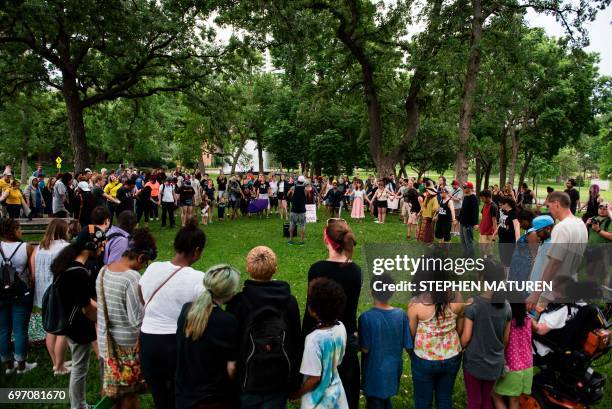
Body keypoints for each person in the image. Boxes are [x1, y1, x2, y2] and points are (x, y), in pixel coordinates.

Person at [139, 220, 206, 409]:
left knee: (160, 397)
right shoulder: (197, 278)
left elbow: (141, 293)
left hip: (148, 341)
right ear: (197, 251)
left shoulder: (153, 268)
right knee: (181, 395)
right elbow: (203, 313)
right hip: (175, 343)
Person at [226, 246, 302, 409]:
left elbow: (230, 343)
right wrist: (295, 382)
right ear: (275, 269)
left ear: (247, 269)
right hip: (278, 379)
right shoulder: (289, 302)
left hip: (247, 379)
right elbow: (296, 343)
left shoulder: (238, 303)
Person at [303, 219, 361, 409]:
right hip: (345, 336)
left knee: (319, 393)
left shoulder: (317, 269)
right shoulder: (355, 271)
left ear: (326, 239)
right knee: (345, 390)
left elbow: (310, 309)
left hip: (321, 335)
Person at [97, 228, 157, 409]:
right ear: (140, 257)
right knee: (129, 395)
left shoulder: (103, 271)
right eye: (144, 263)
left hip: (105, 344)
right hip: (126, 348)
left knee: (111, 392)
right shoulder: (131, 277)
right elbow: (137, 319)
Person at [51, 226, 105, 409]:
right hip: (78, 325)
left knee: (79, 364)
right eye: (100, 245)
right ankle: (78, 405)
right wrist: (103, 318)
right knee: (80, 368)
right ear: (90, 245)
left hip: (67, 319)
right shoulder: (80, 272)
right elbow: (86, 307)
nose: (102, 249)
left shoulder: (66, 263)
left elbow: (81, 298)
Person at [408, 262, 464, 409]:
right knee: (445, 399)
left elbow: (411, 335)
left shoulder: (416, 304)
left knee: (422, 402)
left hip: (424, 358)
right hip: (452, 356)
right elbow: (460, 329)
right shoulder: (457, 297)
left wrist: (412, 354)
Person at [460, 261, 511, 409]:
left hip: (475, 362)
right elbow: (506, 339)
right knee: (487, 399)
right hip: (495, 363)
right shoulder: (507, 305)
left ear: (481, 278)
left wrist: (458, 349)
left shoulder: (473, 303)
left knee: (475, 400)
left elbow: (466, 337)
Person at [526, 192, 588, 310]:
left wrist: (536, 293)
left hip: (554, 290)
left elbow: (554, 263)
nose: (548, 209)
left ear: (557, 204)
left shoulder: (562, 227)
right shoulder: (581, 224)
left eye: (549, 206)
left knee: (543, 322)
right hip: (571, 283)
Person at [359, 273, 413, 409]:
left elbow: (365, 348)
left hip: (373, 376)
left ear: (372, 292)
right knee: (386, 402)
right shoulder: (401, 315)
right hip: (393, 373)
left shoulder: (366, 318)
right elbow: (408, 344)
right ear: (392, 291)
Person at [294, 277, 348, 409]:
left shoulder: (314, 339)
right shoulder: (341, 327)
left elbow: (314, 378)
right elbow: (338, 360)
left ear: (313, 310)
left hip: (317, 402)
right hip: (337, 396)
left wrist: (298, 393)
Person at [33, 219, 70, 375]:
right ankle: (60, 366)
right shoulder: (65, 248)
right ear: (63, 231)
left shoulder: (41, 248)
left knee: (50, 329)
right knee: (63, 329)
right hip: (59, 291)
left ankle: (55, 362)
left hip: (44, 292)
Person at [0, 218, 36, 374]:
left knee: (3, 330)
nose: (21, 231)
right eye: (19, 228)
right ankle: (21, 365)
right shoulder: (26, 247)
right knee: (20, 330)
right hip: (20, 293)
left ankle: (8, 365)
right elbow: (32, 273)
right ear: (14, 230)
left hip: (1, 293)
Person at [492, 302, 533, 409]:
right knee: (514, 400)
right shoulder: (528, 320)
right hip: (527, 367)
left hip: (512, 367)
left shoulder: (507, 323)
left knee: (494, 394)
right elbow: (538, 329)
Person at [497, 197, 521, 271]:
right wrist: (495, 233)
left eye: (502, 204)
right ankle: (504, 275)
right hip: (502, 240)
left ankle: (508, 277)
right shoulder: (506, 212)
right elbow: (501, 224)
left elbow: (517, 228)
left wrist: (517, 241)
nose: (501, 205)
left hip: (509, 241)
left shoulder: (513, 214)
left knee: (507, 259)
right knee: (503, 258)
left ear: (506, 204)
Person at [459, 182, 479, 258]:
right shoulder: (466, 197)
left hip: (468, 224)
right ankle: (465, 254)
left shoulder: (473, 198)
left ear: (470, 188)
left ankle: (470, 257)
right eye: (463, 187)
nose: (463, 189)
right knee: (462, 240)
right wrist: (458, 219)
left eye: (465, 188)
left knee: (468, 241)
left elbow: (476, 211)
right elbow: (462, 209)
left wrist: (475, 223)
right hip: (462, 222)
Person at [287, 175, 307, 245]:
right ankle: (302, 241)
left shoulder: (293, 188)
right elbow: (306, 196)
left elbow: (288, 195)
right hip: (302, 210)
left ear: (297, 181)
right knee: (302, 225)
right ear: (303, 182)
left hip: (294, 209)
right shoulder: (305, 189)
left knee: (292, 224)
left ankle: (290, 240)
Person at [478, 190, 498, 258]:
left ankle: (489, 266)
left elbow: (494, 221)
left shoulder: (493, 206)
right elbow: (484, 217)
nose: (481, 199)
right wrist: (480, 226)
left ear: (488, 197)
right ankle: (483, 265)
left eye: (482, 198)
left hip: (489, 233)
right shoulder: (485, 204)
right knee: (482, 250)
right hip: (482, 232)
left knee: (488, 252)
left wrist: (495, 234)